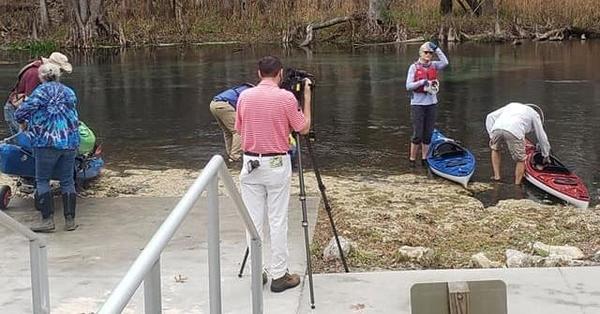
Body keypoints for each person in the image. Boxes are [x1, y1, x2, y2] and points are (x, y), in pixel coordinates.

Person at [235, 56, 311, 293]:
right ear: (279, 74)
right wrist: (306, 97)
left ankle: (257, 272)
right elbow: (303, 127)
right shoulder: (286, 97)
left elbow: (239, 128)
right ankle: (279, 274)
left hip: (250, 163)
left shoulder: (244, 97)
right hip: (276, 164)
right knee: (277, 220)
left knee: (253, 221)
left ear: (259, 74)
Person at [15, 62, 80, 232]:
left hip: (45, 142)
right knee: (67, 180)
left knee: (42, 180)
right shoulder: (69, 92)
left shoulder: (40, 92)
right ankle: (70, 221)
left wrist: (23, 123)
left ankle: (47, 220)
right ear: (59, 75)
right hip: (69, 141)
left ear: (41, 76)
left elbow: (20, 113)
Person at [4, 52, 73, 135]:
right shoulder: (35, 74)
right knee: (21, 139)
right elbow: (29, 101)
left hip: (23, 109)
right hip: (15, 109)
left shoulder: (43, 74)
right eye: (61, 70)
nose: (61, 73)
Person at [405, 41, 449, 166]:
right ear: (420, 53)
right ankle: (412, 159)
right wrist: (421, 82)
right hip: (417, 104)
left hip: (431, 104)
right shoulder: (413, 67)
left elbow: (445, 62)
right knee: (417, 134)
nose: (428, 54)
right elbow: (408, 86)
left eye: (430, 53)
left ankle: (425, 158)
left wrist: (437, 49)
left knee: (428, 133)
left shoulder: (434, 65)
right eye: (426, 52)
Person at [485, 102, 550, 185]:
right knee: (521, 159)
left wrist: (491, 136)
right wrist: (545, 154)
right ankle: (517, 184)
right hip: (515, 131)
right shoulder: (534, 114)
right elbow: (541, 136)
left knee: (495, 149)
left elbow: (490, 116)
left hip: (496, 128)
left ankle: (497, 177)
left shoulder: (512, 105)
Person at [209, 83, 253, 162]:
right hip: (224, 105)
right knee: (238, 130)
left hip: (214, 104)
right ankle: (235, 155)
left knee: (228, 132)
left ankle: (230, 154)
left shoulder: (243, 88)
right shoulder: (250, 92)